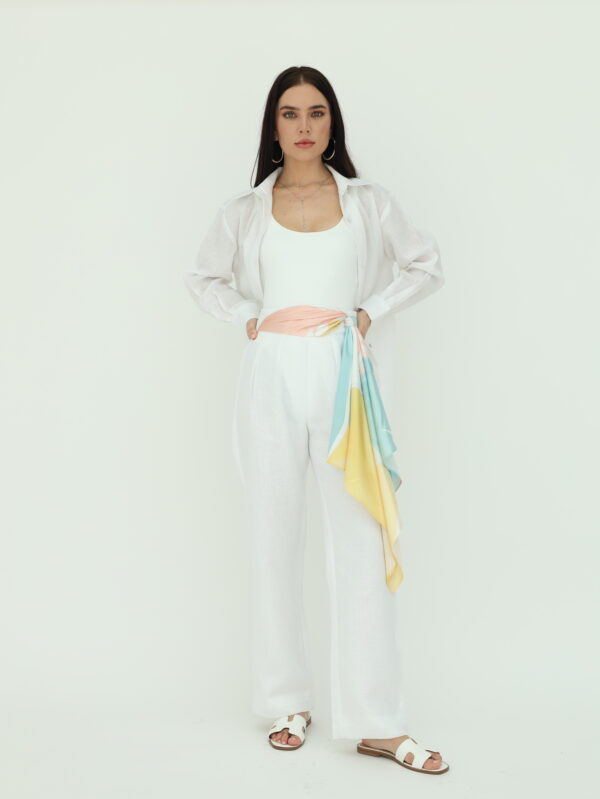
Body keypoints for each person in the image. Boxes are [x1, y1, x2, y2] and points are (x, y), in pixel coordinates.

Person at [184, 65, 449, 775]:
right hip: (269, 372)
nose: (304, 126)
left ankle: (376, 721)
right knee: (273, 536)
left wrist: (371, 311)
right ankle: (287, 702)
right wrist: (248, 315)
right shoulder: (246, 210)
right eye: (290, 113)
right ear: (273, 127)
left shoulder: (367, 202)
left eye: (317, 112)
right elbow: (203, 277)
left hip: (343, 375)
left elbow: (425, 266)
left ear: (333, 123)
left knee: (361, 536)